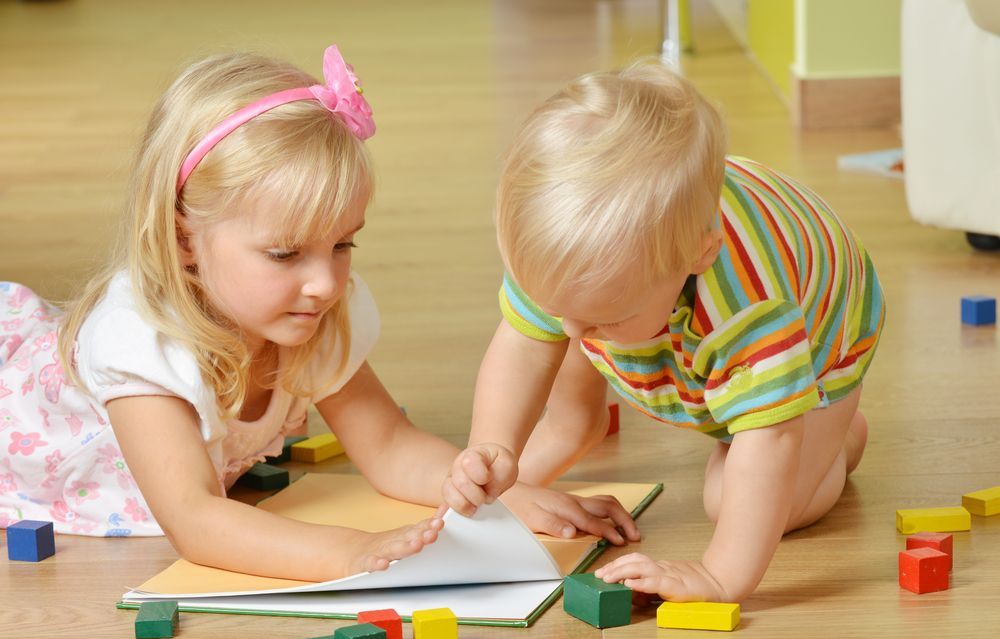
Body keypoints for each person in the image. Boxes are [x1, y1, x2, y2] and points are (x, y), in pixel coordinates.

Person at [0, 45, 636, 582]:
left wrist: (512, 499)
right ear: (184, 239)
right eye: (285, 253)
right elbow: (195, 520)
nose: (325, 282)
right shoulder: (139, 339)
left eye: (343, 244)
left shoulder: (314, 314)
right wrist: (350, 550)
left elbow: (388, 445)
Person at [442, 61, 884, 603]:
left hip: (820, 335)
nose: (575, 332)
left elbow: (767, 443)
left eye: (605, 316)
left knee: (743, 498)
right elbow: (522, 348)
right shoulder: (572, 269)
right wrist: (493, 446)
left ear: (697, 255)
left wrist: (720, 576)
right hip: (665, 281)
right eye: (557, 308)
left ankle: (839, 436)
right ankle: (577, 420)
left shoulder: (750, 310)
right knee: (573, 344)